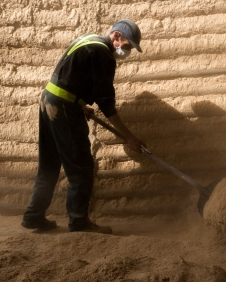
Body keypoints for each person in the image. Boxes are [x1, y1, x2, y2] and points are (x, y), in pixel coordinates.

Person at [21, 19, 145, 233]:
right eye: (126, 46)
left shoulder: (89, 39)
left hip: (49, 100)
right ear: (116, 36)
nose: (126, 52)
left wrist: (79, 103)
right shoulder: (103, 55)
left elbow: (70, 76)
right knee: (81, 168)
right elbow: (106, 104)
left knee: (49, 164)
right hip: (63, 108)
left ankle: (34, 216)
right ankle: (79, 222)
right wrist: (129, 137)